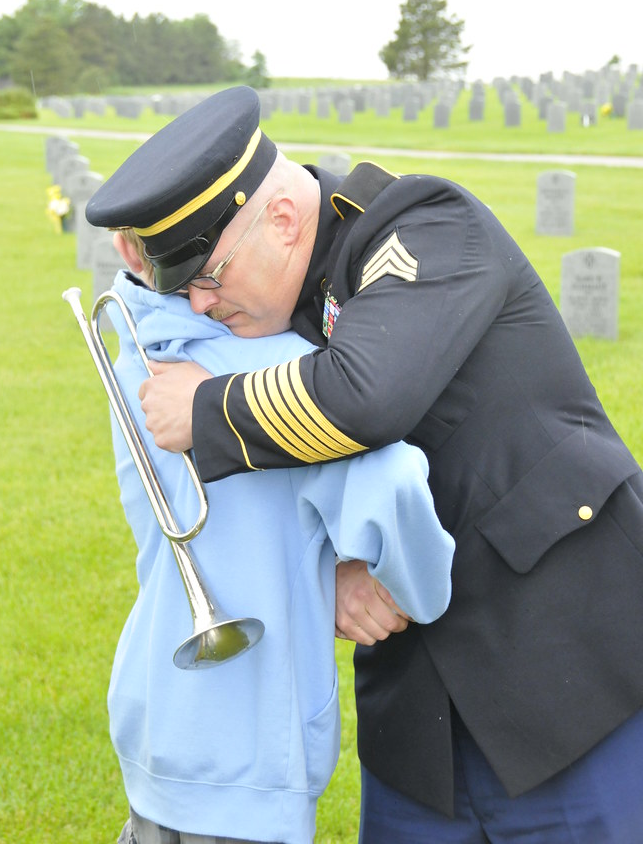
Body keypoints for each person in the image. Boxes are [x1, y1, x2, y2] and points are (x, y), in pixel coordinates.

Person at [86, 85, 643, 843]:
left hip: (564, 670)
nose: (201, 308)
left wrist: (207, 408)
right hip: (418, 711)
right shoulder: (273, 307)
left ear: (282, 219)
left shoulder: (425, 227)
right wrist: (343, 562)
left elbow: (366, 397)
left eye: (208, 278)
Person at [94, 216, 454, 844]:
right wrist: (401, 584)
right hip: (253, 746)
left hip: (152, 710)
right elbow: (392, 483)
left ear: (129, 249)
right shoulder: (291, 368)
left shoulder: (133, 346)